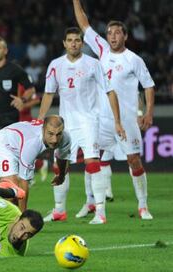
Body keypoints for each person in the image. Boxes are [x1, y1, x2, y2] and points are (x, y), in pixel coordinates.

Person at [73, 0, 155, 220]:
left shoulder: (133, 60)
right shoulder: (101, 50)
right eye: (109, 33)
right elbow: (83, 23)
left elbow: (148, 85)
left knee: (134, 161)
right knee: (92, 159)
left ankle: (143, 206)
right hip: (101, 119)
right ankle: (96, 208)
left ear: (125, 36)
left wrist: (148, 113)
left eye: (117, 33)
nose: (112, 37)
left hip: (127, 121)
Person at [38, 27, 125, 224]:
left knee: (92, 163)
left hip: (88, 122)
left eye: (77, 40)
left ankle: (100, 213)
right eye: (70, 40)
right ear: (64, 43)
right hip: (64, 125)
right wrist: (41, 120)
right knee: (59, 166)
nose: (74, 43)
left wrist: (117, 121)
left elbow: (110, 92)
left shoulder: (93, 64)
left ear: (82, 43)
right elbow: (49, 94)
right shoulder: (55, 65)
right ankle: (59, 211)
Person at [0, 115, 72, 211]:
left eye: (58, 134)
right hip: (5, 144)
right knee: (12, 193)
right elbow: (23, 181)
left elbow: (61, 158)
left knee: (15, 196)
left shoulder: (65, 138)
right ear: (43, 129)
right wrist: (24, 216)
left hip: (21, 143)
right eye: (50, 134)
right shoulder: (32, 143)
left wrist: (61, 175)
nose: (54, 140)